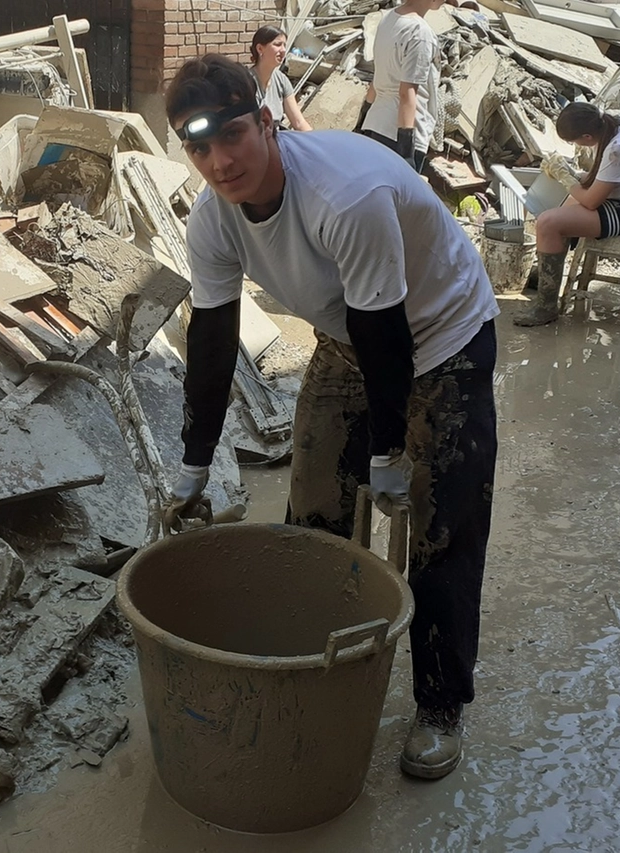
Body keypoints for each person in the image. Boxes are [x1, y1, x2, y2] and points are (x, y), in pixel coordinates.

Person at [162, 54, 499, 780]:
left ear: (269, 122)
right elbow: (215, 340)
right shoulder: (213, 219)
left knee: (442, 530)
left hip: (444, 336)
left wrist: (389, 455)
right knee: (311, 513)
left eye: (233, 138)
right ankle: (309, 671)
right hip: (351, 343)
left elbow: (389, 335)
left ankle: (440, 705)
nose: (220, 163)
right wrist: (195, 460)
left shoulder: (346, 194)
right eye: (199, 148)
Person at [516, 102, 620, 326]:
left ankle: (546, 307)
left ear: (587, 135)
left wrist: (566, 178)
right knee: (558, 208)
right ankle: (549, 274)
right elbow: (601, 176)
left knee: (548, 223)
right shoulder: (612, 123)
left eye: (574, 141)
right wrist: (571, 173)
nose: (575, 146)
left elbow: (591, 200)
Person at [356, 0, 445, 171]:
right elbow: (407, 93)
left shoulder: (388, 18)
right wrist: (406, 153)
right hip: (400, 135)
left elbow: (379, 76)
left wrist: (362, 119)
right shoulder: (420, 32)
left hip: (375, 124)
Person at [248, 25, 312, 131]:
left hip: (276, 139)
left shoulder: (281, 80)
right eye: (277, 45)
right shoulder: (246, 82)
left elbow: (298, 122)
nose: (283, 50)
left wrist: (317, 142)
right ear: (260, 49)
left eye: (284, 45)